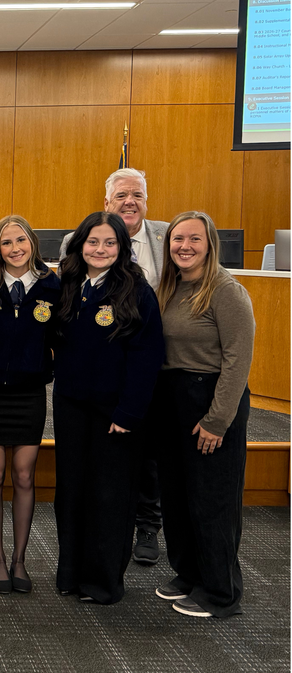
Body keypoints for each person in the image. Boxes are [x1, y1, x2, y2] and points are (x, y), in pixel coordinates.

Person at [52, 211, 164, 605]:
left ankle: (102, 583)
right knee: (71, 492)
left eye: (109, 243)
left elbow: (147, 357)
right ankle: (71, 574)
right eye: (93, 242)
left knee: (109, 496)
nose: (100, 250)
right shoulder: (67, 284)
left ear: (122, 248)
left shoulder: (136, 289)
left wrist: (129, 413)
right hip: (70, 407)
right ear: (80, 245)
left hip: (116, 413)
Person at [150, 211, 254, 618]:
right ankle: (189, 573)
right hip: (172, 400)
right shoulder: (170, 287)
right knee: (177, 494)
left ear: (210, 244)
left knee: (213, 499)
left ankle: (221, 592)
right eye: (178, 239)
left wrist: (216, 419)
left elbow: (238, 359)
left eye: (194, 239)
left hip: (210, 398)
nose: (185, 247)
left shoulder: (227, 292)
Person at [0, 215, 60, 595]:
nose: (15, 249)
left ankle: (21, 559)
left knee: (24, 475)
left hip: (29, 395)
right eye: (6, 243)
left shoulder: (52, 286)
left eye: (21, 240)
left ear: (33, 243)